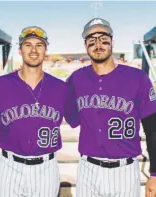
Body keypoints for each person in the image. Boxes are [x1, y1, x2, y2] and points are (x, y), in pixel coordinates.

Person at [0, 26, 78, 197]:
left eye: (39, 45)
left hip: (46, 168)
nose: (34, 50)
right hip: (10, 167)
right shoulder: (1, 85)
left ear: (45, 50)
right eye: (28, 45)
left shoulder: (60, 88)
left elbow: (83, 119)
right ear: (20, 50)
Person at [66, 18, 156, 197]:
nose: (98, 44)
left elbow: (153, 128)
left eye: (103, 38)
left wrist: (154, 173)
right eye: (92, 39)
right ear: (86, 46)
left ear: (112, 41)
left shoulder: (137, 78)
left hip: (125, 169)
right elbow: (72, 119)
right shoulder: (75, 79)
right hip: (88, 169)